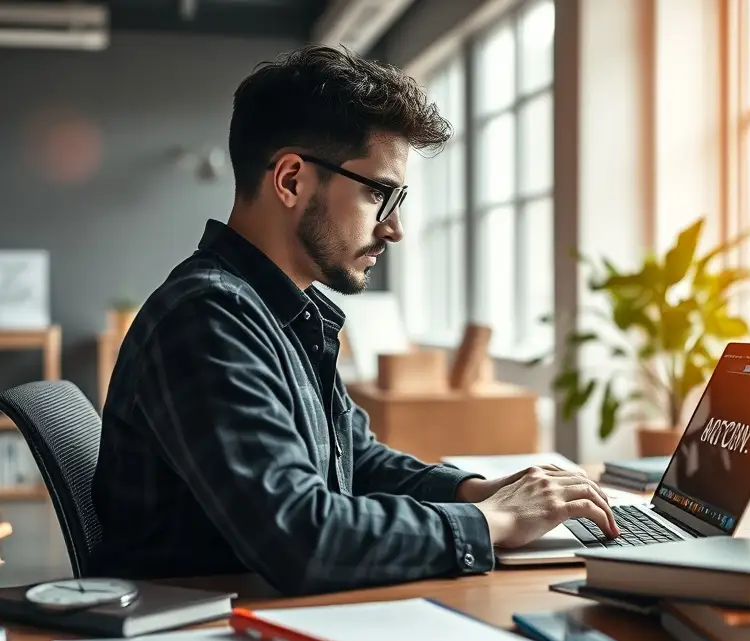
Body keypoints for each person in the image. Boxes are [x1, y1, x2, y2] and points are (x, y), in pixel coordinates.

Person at [90, 45, 619, 595]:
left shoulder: (284, 313)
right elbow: (301, 536)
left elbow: (355, 459)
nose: (395, 229)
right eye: (378, 194)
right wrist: (493, 522)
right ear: (292, 180)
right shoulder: (207, 319)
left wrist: (479, 492)